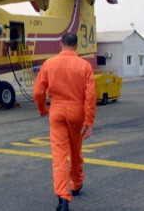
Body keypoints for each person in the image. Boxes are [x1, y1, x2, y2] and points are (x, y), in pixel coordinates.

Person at [33, 32, 97, 211]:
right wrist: (89, 121)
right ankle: (76, 184)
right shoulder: (84, 66)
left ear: (60, 44)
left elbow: (38, 92)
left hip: (57, 112)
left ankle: (63, 198)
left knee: (59, 155)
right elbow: (90, 96)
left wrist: (42, 109)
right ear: (76, 46)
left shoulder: (49, 64)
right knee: (76, 151)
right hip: (77, 112)